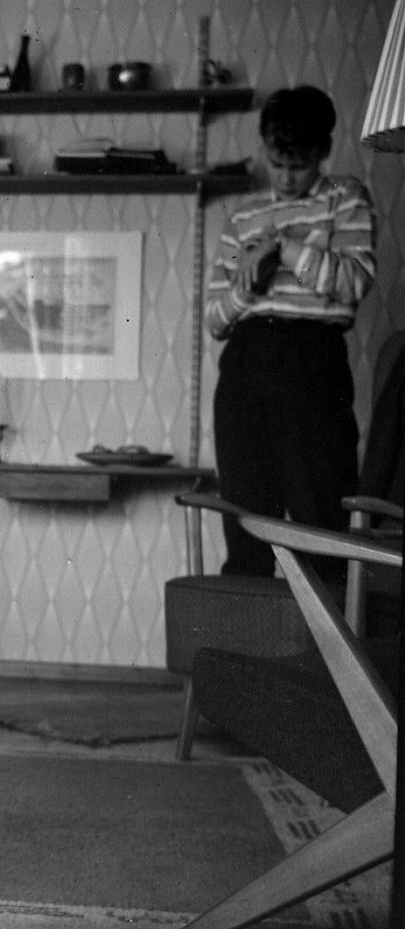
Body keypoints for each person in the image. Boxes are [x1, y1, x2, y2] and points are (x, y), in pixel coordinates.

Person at [204, 84, 377, 577]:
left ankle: (327, 650)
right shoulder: (242, 220)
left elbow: (351, 284)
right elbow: (217, 317)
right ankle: (248, 647)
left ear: (323, 152)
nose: (284, 178)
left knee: (320, 514)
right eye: (276, 164)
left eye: (297, 167)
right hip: (245, 361)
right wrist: (249, 286)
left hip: (312, 361)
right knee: (246, 516)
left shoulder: (344, 201)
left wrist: (285, 251)